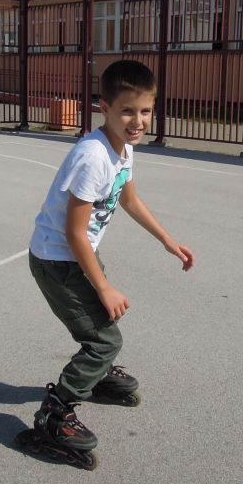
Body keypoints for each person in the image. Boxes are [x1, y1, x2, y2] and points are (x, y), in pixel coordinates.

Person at [27, 59, 194, 452]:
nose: (138, 121)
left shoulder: (123, 148)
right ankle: (55, 414)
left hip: (77, 253)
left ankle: (97, 372)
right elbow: (73, 232)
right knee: (104, 339)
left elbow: (129, 199)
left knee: (103, 324)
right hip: (57, 259)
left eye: (146, 111)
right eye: (127, 111)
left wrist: (166, 240)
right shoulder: (93, 156)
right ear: (105, 108)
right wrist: (102, 286)